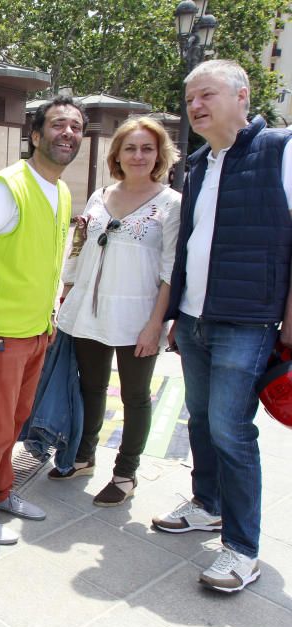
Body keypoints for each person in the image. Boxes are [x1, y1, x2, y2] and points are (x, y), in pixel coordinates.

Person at [156, 60, 292, 593]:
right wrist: (175, 317)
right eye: (190, 99)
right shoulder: (196, 163)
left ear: (242, 95)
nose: (195, 107)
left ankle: (241, 549)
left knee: (231, 430)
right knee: (199, 420)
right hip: (195, 319)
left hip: (248, 319)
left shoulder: (280, 150)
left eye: (206, 94)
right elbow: (192, 244)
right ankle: (206, 505)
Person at [0, 95, 87, 545]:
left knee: (15, 420)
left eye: (77, 128)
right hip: (2, 331)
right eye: (59, 125)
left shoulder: (61, 190)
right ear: (35, 134)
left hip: (36, 329)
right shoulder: (10, 184)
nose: (69, 133)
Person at [51, 117, 181, 507]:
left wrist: (156, 324)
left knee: (135, 395)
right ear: (117, 154)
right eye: (130, 148)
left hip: (138, 316)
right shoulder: (98, 196)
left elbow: (171, 269)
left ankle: (126, 473)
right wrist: (66, 295)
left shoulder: (171, 203)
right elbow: (77, 249)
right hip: (88, 311)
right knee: (89, 387)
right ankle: (84, 456)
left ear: (159, 154)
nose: (138, 156)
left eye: (147, 148)